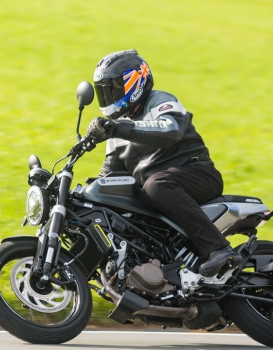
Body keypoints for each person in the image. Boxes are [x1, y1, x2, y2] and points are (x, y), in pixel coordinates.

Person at [86, 49, 242, 277]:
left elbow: (170, 131)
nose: (108, 97)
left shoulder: (162, 101)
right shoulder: (118, 129)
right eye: (104, 91)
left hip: (197, 173)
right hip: (160, 190)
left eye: (113, 89)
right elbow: (108, 179)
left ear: (134, 82)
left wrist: (117, 128)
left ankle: (219, 250)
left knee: (155, 184)